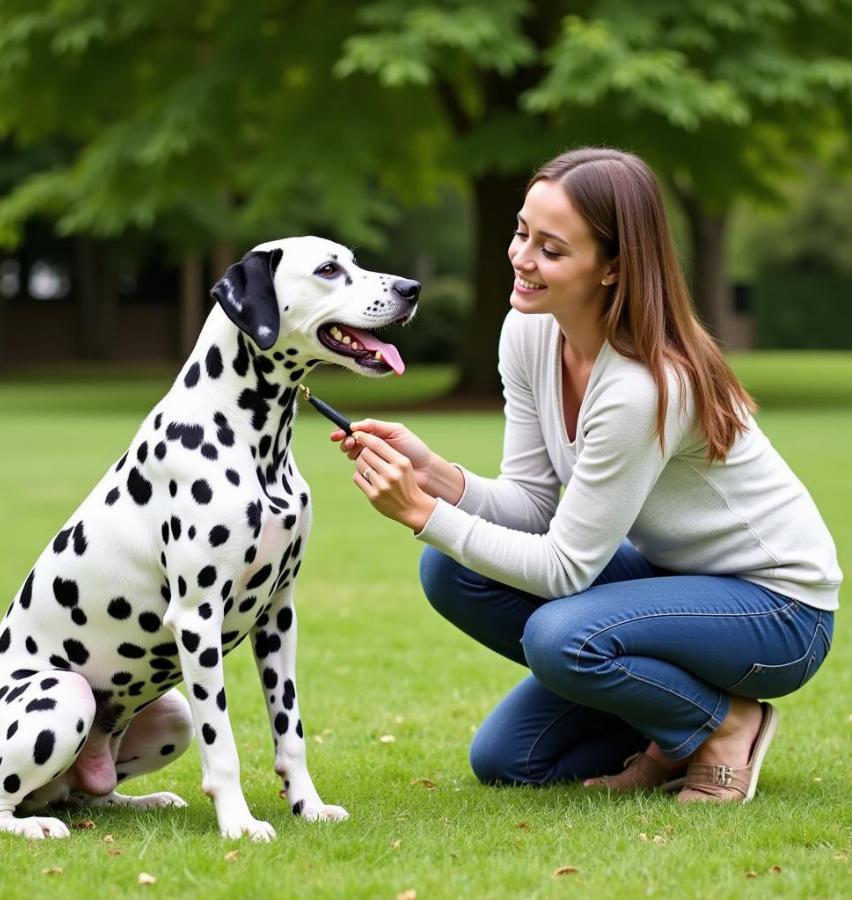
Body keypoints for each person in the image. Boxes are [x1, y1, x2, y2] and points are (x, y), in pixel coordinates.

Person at [329, 147, 841, 803]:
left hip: (779, 611)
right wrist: (435, 474)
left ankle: (726, 722)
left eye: (552, 248)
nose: (520, 257)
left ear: (613, 267)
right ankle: (675, 722)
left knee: (558, 635)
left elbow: (565, 569)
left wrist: (424, 515)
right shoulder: (528, 331)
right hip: (672, 583)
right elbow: (532, 503)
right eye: (521, 232)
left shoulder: (641, 389)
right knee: (507, 747)